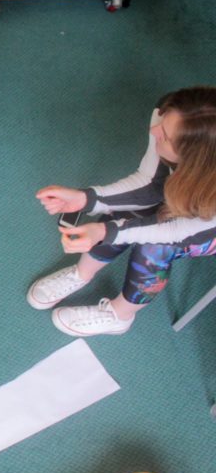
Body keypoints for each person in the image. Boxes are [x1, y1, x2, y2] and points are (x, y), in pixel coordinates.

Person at [28, 86, 216, 337]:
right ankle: (82, 273)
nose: (153, 131)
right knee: (131, 210)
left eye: (166, 138)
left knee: (155, 249)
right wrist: (87, 199)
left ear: (195, 160)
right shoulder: (166, 113)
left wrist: (107, 231)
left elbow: (176, 232)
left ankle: (120, 315)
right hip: (192, 188)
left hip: (206, 227)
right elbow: (150, 184)